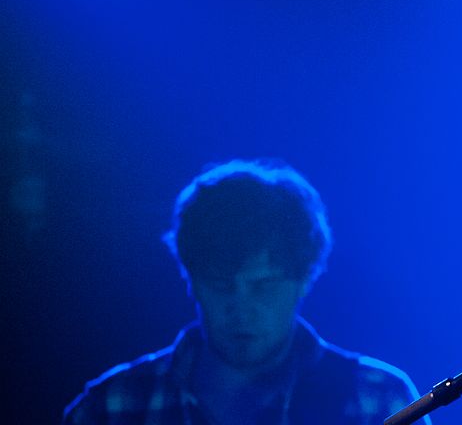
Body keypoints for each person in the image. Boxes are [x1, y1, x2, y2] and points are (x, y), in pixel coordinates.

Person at [64, 160, 428, 425]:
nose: (241, 307)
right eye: (220, 285)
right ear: (190, 277)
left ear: (304, 279)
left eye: (264, 285)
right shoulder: (109, 407)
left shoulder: (379, 398)